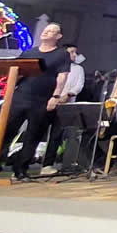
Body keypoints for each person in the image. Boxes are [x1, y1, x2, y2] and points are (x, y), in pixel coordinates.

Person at [4, 22, 70, 181]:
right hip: (21, 96)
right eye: (46, 30)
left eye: (51, 31)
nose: (47, 33)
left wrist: (55, 96)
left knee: (33, 135)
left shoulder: (61, 54)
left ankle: (21, 169)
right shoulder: (28, 53)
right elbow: (16, 72)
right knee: (7, 131)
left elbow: (62, 76)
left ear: (58, 37)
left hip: (42, 99)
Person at [40, 43, 86, 175]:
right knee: (37, 132)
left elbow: (79, 85)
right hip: (48, 103)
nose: (74, 55)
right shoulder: (54, 65)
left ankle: (48, 164)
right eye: (71, 52)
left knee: (56, 135)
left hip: (66, 106)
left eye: (75, 52)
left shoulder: (78, 69)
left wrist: (68, 95)